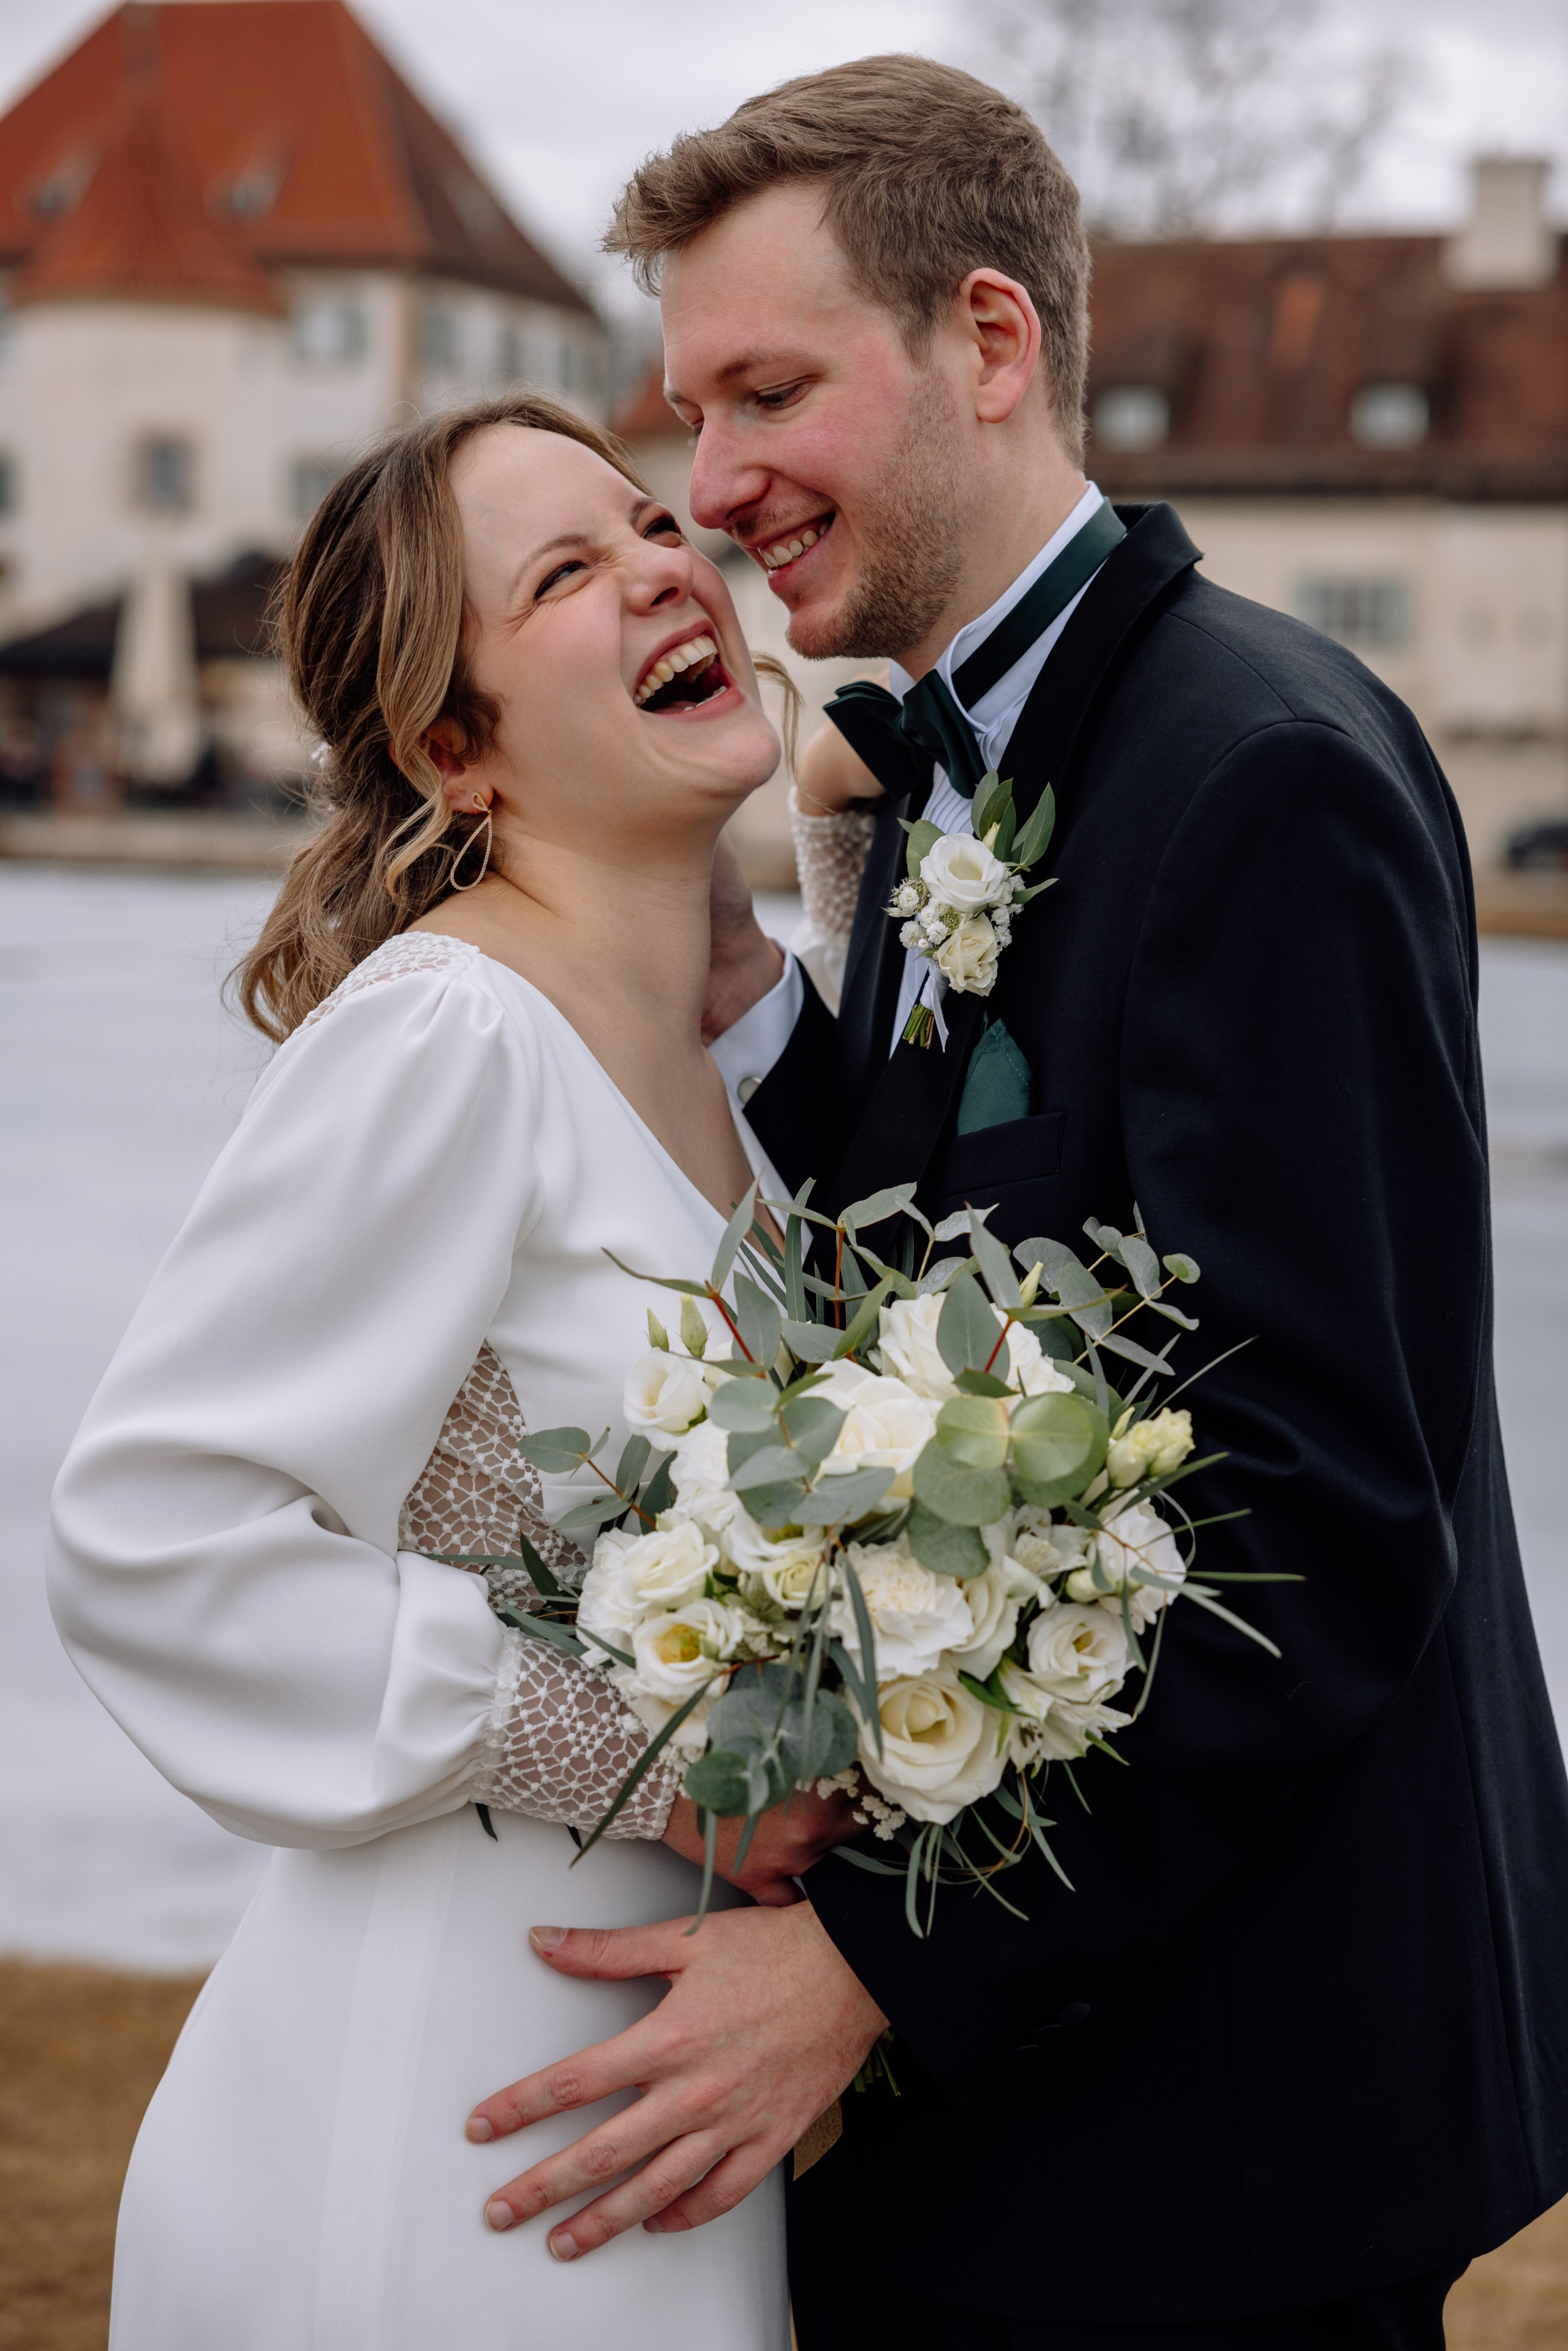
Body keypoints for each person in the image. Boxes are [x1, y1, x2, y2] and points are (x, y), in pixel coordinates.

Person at [462, 56, 1568, 2351]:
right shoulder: (993, 748)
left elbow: (1322, 1503)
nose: (715, 485)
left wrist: (868, 1972)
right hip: (1065, 2104)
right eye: (690, 407)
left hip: (1226, 2125)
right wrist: (759, 994)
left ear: (990, 342)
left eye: (768, 388)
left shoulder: (1257, 773)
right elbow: (1000, 1261)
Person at [47, 391, 858, 2349]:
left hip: (672, 2098)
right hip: (437, 2105)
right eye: (565, 574)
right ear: (450, 747)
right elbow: (152, 1536)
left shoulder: (751, 1073)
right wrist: (655, 1764)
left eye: (650, 525)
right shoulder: (450, 1039)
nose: (667, 565)